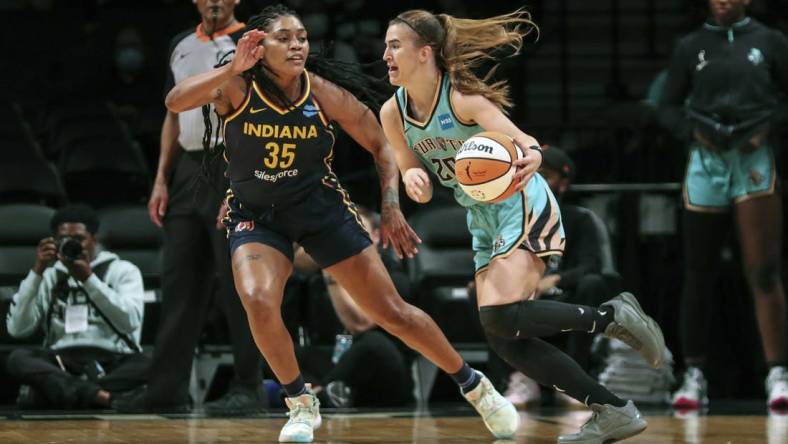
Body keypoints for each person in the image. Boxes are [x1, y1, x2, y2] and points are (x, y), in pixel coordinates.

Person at [164, 4, 517, 442]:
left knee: (392, 313)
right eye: (284, 38)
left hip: (320, 210)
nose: (297, 45)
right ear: (257, 45)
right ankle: (300, 402)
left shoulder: (322, 92)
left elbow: (381, 144)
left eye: (302, 38)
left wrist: (390, 206)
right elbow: (175, 102)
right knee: (256, 297)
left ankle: (474, 385)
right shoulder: (235, 87)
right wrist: (231, 68)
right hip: (256, 215)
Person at [380, 9, 667, 443]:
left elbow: (524, 142)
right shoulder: (392, 113)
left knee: (502, 314)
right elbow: (411, 174)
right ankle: (611, 409)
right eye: (385, 45)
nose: (385, 54)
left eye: (394, 45)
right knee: (502, 335)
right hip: (480, 215)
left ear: (424, 53)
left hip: (520, 200)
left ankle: (610, 316)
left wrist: (532, 154)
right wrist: (412, 180)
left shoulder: (462, 100)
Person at [117, 0, 264, 413]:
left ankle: (248, 388)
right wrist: (161, 178)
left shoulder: (250, 41)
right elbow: (172, 113)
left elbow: (259, 111)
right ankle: (166, 390)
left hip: (233, 160)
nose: (215, 1)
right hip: (188, 166)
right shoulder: (180, 44)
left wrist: (243, 179)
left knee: (238, 284)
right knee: (179, 281)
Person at [658, 0, 788, 410]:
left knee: (764, 271)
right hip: (706, 160)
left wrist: (766, 127)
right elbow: (665, 106)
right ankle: (693, 375)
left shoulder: (771, 41)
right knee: (699, 271)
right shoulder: (690, 46)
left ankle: (779, 373)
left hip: (753, 156)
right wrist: (693, 132)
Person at [5, 205, 149, 409]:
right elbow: (17, 329)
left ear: (94, 239)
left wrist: (89, 279)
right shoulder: (50, 275)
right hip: (63, 360)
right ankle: (103, 397)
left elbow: (130, 323)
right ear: (54, 242)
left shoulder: (123, 271)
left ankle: (63, 392)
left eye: (79, 239)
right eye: (64, 239)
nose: (72, 244)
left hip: (112, 359)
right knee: (18, 359)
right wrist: (37, 272)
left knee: (156, 362)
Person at [502, 146, 613, 406]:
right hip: (524, 300)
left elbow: (591, 266)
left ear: (563, 183)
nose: (537, 180)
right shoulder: (511, 218)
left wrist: (554, 279)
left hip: (565, 296)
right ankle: (520, 376)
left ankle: (575, 379)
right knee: (484, 292)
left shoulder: (580, 219)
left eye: (546, 175)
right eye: (531, 173)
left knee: (593, 285)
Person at [294, 207, 413, 408]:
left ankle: (317, 397)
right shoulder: (320, 278)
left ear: (376, 235)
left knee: (373, 342)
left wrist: (331, 275)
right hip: (339, 359)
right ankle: (321, 393)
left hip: (384, 376)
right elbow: (296, 262)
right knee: (286, 352)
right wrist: (321, 247)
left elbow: (360, 324)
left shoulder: (394, 278)